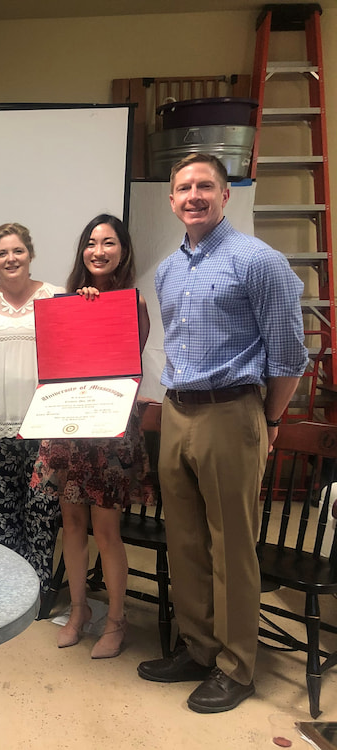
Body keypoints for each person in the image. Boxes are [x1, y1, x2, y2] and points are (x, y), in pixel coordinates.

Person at [137, 153, 307, 712]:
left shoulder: (258, 262)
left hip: (232, 413)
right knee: (184, 540)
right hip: (178, 411)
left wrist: (271, 420)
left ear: (225, 194)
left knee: (231, 545)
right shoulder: (166, 270)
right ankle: (199, 647)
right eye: (183, 188)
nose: (194, 196)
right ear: (171, 200)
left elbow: (288, 356)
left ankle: (238, 666)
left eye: (205, 185)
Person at [30, 214, 153, 659]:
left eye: (108, 242)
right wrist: (77, 310)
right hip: (67, 428)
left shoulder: (132, 304)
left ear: (123, 250)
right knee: (72, 526)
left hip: (109, 432)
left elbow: (128, 357)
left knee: (106, 532)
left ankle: (116, 621)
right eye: (91, 242)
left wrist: (101, 309)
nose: (98, 250)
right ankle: (79, 611)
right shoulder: (67, 303)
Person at [0, 223, 64, 587]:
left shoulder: (56, 295)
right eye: (2, 253)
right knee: (0, 507)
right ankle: (4, 585)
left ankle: (37, 586)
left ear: (31, 254)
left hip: (44, 426)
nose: (11, 258)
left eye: (18, 251)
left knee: (41, 510)